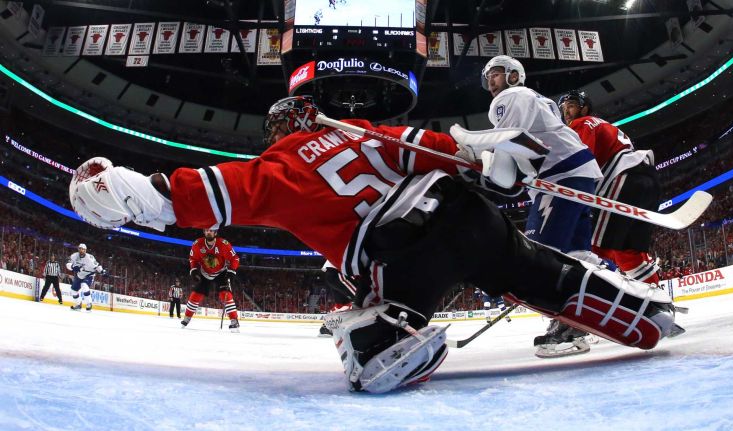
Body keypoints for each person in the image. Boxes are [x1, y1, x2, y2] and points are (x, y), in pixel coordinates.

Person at [68, 95, 683, 394]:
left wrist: (113, 186)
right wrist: (494, 163)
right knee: (530, 266)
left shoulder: (278, 167)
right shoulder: (362, 132)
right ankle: (635, 308)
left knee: (379, 314)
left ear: (280, 128)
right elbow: (456, 153)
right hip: (469, 216)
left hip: (402, 246)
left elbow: (181, 196)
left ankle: (388, 338)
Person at [460, 55, 605, 357]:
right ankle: (603, 310)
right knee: (578, 254)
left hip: (561, 174)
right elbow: (519, 153)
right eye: (489, 76)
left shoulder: (511, 96)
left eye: (497, 74)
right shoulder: (535, 99)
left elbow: (508, 139)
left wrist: (472, 151)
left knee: (540, 254)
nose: (491, 81)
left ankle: (570, 327)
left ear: (514, 76)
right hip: (576, 172)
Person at [559, 90, 661, 284]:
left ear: (584, 108)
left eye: (570, 105)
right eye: (563, 108)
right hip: (647, 181)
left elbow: (579, 160)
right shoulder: (605, 124)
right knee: (628, 253)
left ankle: (599, 294)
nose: (566, 112)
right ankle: (655, 299)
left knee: (590, 247)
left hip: (623, 181)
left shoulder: (582, 123)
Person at [184, 228, 241, 332]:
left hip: (221, 272)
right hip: (205, 273)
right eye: (206, 230)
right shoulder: (197, 243)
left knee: (225, 294)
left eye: (211, 230)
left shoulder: (223, 244)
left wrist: (232, 271)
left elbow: (235, 259)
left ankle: (234, 321)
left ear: (215, 232)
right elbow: (193, 258)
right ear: (204, 232)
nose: (208, 232)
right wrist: (193, 270)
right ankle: (187, 317)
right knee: (196, 294)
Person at [318, 260, 355, 337]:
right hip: (340, 272)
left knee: (342, 304)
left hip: (332, 272)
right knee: (360, 297)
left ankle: (326, 327)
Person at [65, 244, 105, 311]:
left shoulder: (90, 258)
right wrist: (72, 267)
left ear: (85, 250)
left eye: (83, 249)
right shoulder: (74, 256)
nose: (81, 250)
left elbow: (97, 265)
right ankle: (78, 304)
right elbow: (67, 264)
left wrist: (102, 271)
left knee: (84, 285)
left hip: (89, 274)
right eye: (80, 248)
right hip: (79, 274)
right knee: (73, 291)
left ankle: (89, 303)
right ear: (78, 249)